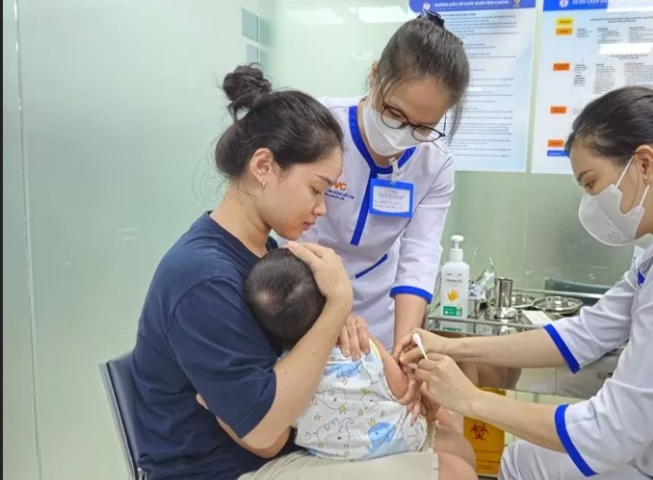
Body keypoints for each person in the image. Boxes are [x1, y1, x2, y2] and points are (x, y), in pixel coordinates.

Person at [396, 80, 653, 480]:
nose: (591, 202)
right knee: (526, 460)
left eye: (592, 183)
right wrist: (452, 346)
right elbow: (586, 334)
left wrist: (470, 399)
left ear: (645, 164)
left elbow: (608, 433)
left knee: (528, 462)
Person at [131, 65, 474, 480]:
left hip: (274, 448)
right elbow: (266, 435)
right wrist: (337, 306)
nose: (322, 208)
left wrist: (340, 327)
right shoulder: (203, 279)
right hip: (223, 468)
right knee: (452, 472)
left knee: (454, 442)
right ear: (263, 166)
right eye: (316, 189)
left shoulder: (267, 254)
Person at [297, 9, 470, 352]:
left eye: (423, 127)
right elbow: (297, 236)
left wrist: (404, 346)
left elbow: (419, 254)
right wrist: (333, 311)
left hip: (380, 309)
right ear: (375, 74)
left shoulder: (435, 161)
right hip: (305, 291)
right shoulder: (320, 125)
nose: (403, 133)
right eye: (394, 114)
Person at [242, 248, 476, 474]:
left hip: (331, 455)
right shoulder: (363, 345)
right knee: (455, 442)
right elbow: (402, 389)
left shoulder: (283, 374)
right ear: (327, 300)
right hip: (401, 441)